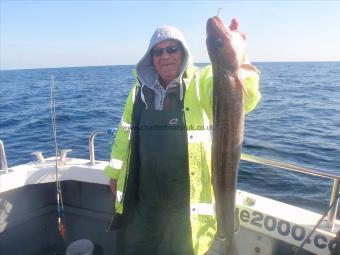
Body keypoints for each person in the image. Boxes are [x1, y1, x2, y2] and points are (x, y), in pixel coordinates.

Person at [104, 20, 261, 255]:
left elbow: (244, 98)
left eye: (172, 49)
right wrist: (115, 174)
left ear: (184, 52)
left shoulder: (203, 81)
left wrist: (239, 53)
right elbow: (123, 136)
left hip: (188, 205)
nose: (165, 56)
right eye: (158, 51)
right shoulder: (137, 93)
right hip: (146, 199)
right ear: (150, 57)